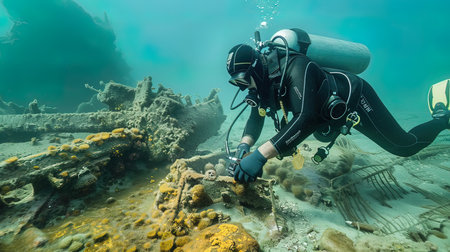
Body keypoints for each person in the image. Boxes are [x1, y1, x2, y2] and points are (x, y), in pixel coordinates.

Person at [226, 37, 450, 184]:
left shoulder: (295, 66)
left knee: (404, 146)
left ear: (256, 68)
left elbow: (307, 118)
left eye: (243, 80)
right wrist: (244, 147)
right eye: (236, 83)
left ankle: (442, 117)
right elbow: (257, 116)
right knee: (320, 133)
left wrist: (260, 156)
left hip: (353, 99)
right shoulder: (263, 83)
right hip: (326, 114)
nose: (243, 87)